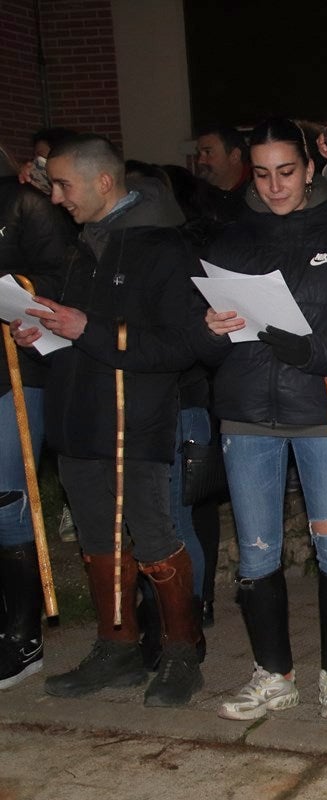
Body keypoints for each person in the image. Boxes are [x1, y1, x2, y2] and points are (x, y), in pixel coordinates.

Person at [13, 134, 205, 707]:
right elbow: (74, 329)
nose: (56, 197)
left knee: (153, 537)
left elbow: (182, 345)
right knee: (98, 542)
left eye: (64, 184)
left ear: (103, 181)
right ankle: (116, 645)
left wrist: (84, 329)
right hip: (77, 415)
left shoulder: (164, 248)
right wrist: (41, 333)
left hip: (135, 420)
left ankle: (181, 651)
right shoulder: (79, 246)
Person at [198, 117, 327, 721]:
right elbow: (203, 341)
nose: (274, 187)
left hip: (323, 408)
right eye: (263, 174)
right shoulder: (229, 239)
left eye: (287, 172)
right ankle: (273, 674)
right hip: (246, 411)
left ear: (311, 168)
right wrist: (209, 330)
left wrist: (314, 350)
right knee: (257, 550)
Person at [0, 142, 75, 690]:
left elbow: (60, 278)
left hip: (16, 369)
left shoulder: (23, 204)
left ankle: (22, 635)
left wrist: (15, 289)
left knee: (8, 500)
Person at [194, 124, 250, 224]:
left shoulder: (259, 193)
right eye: (199, 153)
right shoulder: (195, 194)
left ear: (235, 156)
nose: (200, 161)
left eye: (208, 152)